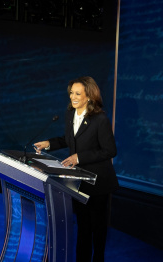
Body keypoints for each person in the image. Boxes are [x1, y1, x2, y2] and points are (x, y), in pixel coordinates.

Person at [34, 76, 118, 262]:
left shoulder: (100, 119)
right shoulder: (70, 114)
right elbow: (69, 139)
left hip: (98, 182)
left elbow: (110, 150)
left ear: (89, 96)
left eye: (77, 93)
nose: (73, 97)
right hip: (78, 180)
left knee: (97, 227)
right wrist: (49, 143)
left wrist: (79, 158)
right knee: (83, 225)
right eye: (71, 92)